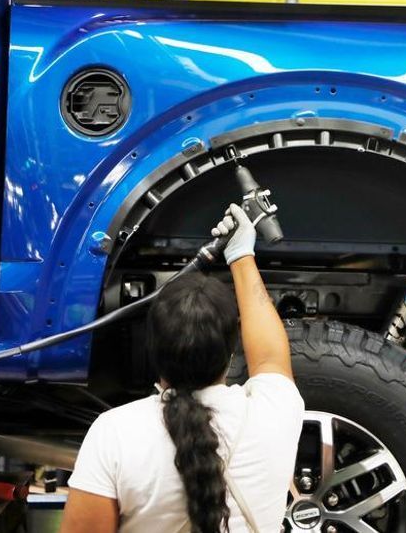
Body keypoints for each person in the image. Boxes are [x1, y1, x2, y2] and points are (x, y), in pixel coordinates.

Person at [60, 204, 305, 533]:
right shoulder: (274, 413)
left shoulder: (115, 434)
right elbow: (270, 358)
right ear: (231, 351)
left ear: (153, 349)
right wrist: (241, 255)